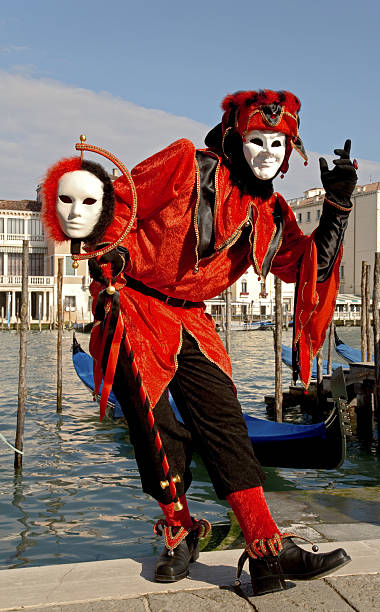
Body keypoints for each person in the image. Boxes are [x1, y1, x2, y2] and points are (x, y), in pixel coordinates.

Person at [41, 89, 357, 596]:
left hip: (191, 319)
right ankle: (179, 527)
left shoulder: (274, 214)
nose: (267, 154)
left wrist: (338, 207)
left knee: (224, 420)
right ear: (235, 137)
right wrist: (110, 252)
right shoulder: (187, 164)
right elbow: (122, 201)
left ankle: (265, 548)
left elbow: (310, 267)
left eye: (279, 144)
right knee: (153, 423)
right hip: (135, 303)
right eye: (258, 140)